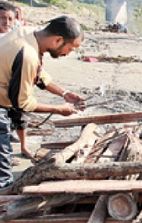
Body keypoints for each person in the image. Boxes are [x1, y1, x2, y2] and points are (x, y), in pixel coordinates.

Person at [0, 16, 85, 188]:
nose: (68, 53)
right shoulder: (27, 54)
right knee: (2, 157)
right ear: (58, 40)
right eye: (71, 48)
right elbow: (22, 103)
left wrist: (64, 93)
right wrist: (59, 109)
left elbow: (38, 74)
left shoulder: (30, 34)